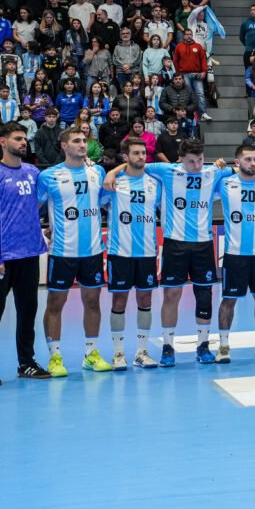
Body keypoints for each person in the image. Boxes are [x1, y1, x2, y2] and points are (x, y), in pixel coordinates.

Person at [0, 122, 51, 386]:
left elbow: (46, 201)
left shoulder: (32, 172)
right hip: (3, 259)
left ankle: (26, 362)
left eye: (24, 138)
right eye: (18, 138)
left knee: (28, 311)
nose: (23, 142)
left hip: (30, 254)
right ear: (3, 142)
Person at [133, 139, 221, 361]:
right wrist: (112, 173)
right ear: (180, 159)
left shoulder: (212, 172)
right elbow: (135, 165)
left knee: (204, 295)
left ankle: (203, 345)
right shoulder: (166, 170)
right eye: (191, 161)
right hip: (175, 244)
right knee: (171, 294)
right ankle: (168, 346)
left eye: (200, 160)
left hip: (203, 244)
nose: (197, 165)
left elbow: (243, 168)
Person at [37, 127, 109, 373]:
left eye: (84, 141)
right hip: (62, 251)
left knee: (93, 302)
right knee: (56, 303)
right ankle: (54, 357)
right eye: (76, 141)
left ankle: (90, 354)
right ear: (63, 146)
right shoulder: (48, 176)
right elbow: (32, 206)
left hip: (92, 250)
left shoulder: (97, 171)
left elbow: (104, 200)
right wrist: (43, 228)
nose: (82, 145)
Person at [103, 136, 163, 368]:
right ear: (125, 157)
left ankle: (142, 351)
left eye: (143, 153)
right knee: (119, 300)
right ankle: (118, 353)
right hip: (120, 252)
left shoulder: (155, 183)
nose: (141, 157)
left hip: (147, 252)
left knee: (145, 299)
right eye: (136, 153)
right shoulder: (113, 183)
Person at [216, 144, 255, 360]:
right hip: (234, 253)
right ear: (237, 162)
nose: (253, 163)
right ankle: (223, 345)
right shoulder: (225, 183)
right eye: (248, 159)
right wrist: (220, 167)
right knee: (229, 300)